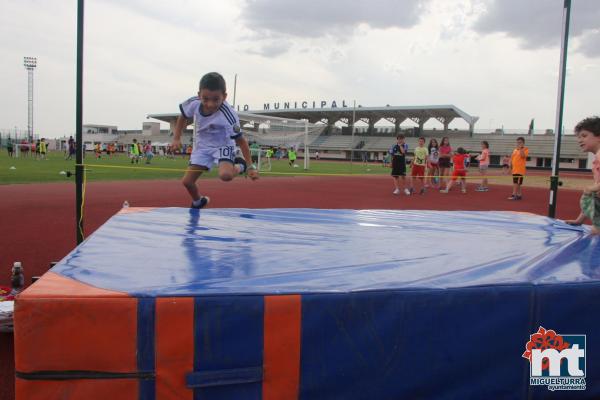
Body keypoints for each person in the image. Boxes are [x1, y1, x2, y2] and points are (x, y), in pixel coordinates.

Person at [171, 72, 258, 209]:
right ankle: (198, 201)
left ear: (224, 97)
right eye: (205, 99)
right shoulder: (193, 103)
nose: (210, 104)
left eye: (216, 99)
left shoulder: (229, 115)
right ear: (199, 95)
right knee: (187, 182)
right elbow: (182, 116)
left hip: (222, 145)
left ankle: (239, 165)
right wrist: (176, 138)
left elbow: (241, 141)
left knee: (225, 176)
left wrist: (249, 166)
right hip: (202, 147)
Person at [565, 116, 600, 235]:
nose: (580, 140)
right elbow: (593, 197)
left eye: (584, 136)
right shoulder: (596, 159)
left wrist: (591, 188)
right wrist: (579, 220)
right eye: (578, 137)